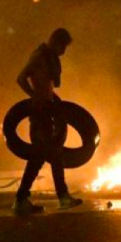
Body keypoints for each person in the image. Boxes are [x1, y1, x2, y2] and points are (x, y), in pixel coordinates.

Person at [13, 28, 83, 214]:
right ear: (56, 41)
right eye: (63, 46)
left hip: (46, 110)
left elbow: (48, 85)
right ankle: (62, 197)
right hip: (39, 112)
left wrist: (52, 99)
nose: (64, 51)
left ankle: (21, 199)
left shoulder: (50, 58)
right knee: (54, 154)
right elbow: (21, 78)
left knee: (38, 158)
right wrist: (35, 97)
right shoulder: (39, 56)